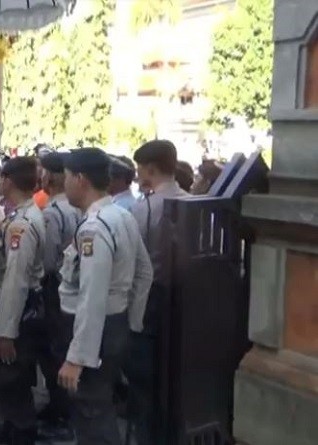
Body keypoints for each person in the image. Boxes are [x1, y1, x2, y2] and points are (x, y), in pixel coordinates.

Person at [57, 148, 153, 445]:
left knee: (91, 410)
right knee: (99, 405)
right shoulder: (121, 215)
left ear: (81, 179)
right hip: (113, 324)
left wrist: (78, 357)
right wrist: (130, 321)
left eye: (67, 177)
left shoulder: (95, 227)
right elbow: (144, 273)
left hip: (93, 332)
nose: (64, 184)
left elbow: (92, 295)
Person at [0, 157, 45, 445]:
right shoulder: (18, 215)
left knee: (12, 372)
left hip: (17, 305)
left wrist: (6, 331)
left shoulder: (21, 224)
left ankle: (22, 430)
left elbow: (15, 281)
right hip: (13, 302)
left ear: (7, 180)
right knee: (10, 372)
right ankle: (13, 423)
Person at [128, 140, 191, 445]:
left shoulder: (146, 207)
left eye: (140, 169)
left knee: (145, 383)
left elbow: (131, 258)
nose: (138, 175)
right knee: (175, 379)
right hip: (185, 300)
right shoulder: (192, 202)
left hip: (150, 299)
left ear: (151, 169)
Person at [36, 152, 80, 439]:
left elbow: (48, 261)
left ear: (49, 176)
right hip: (74, 286)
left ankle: (62, 414)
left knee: (56, 352)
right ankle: (61, 408)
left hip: (56, 287)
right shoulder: (77, 207)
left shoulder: (53, 212)